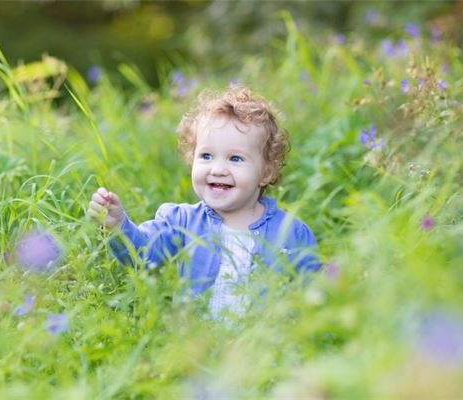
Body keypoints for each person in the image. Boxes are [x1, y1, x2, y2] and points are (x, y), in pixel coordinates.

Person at [88, 86, 320, 318]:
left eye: (235, 158)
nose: (218, 169)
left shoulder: (291, 232)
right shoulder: (182, 222)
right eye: (206, 156)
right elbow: (143, 255)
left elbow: (314, 295)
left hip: (262, 348)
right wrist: (118, 226)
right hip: (198, 346)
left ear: (266, 173)